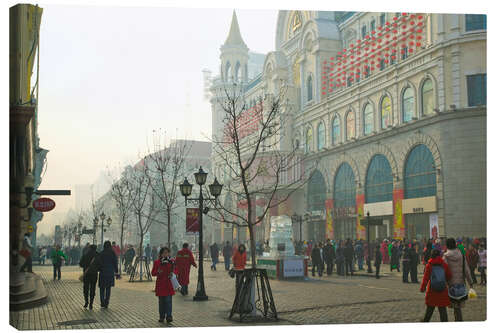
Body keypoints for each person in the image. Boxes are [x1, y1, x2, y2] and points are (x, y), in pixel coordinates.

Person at [443, 238, 474, 321]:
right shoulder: (461, 255)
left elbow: (444, 272)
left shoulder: (445, 256)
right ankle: (459, 320)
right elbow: (467, 270)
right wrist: (470, 282)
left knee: (455, 307)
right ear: (455, 244)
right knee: (458, 307)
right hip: (461, 284)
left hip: (450, 285)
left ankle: (458, 321)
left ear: (447, 245)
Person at [420, 249, 451, 322]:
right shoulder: (444, 264)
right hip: (442, 289)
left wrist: (422, 288)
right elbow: (449, 275)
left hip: (432, 290)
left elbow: (425, 278)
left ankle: (425, 322)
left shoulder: (429, 265)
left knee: (429, 310)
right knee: (443, 311)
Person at [151, 247, 176, 323]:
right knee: (161, 302)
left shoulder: (171, 262)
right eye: (164, 253)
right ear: (161, 254)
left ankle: (169, 316)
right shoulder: (157, 262)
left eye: (167, 252)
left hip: (168, 284)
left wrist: (173, 273)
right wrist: (158, 271)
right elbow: (153, 273)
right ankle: (162, 316)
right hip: (160, 285)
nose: (165, 254)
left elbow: (176, 270)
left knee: (168, 301)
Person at [98, 241, 119, 308]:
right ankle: (106, 303)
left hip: (102, 273)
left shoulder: (101, 253)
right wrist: (116, 271)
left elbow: (98, 263)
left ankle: (102, 302)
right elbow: (115, 262)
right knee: (108, 288)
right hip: (110, 273)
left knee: (102, 288)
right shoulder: (112, 253)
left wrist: (100, 269)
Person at [79, 244, 99, 310]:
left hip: (86, 274)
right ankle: (91, 304)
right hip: (94, 274)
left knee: (86, 288)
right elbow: (100, 265)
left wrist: (85, 266)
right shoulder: (97, 255)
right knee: (93, 288)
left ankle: (86, 302)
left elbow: (81, 263)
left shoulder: (85, 254)